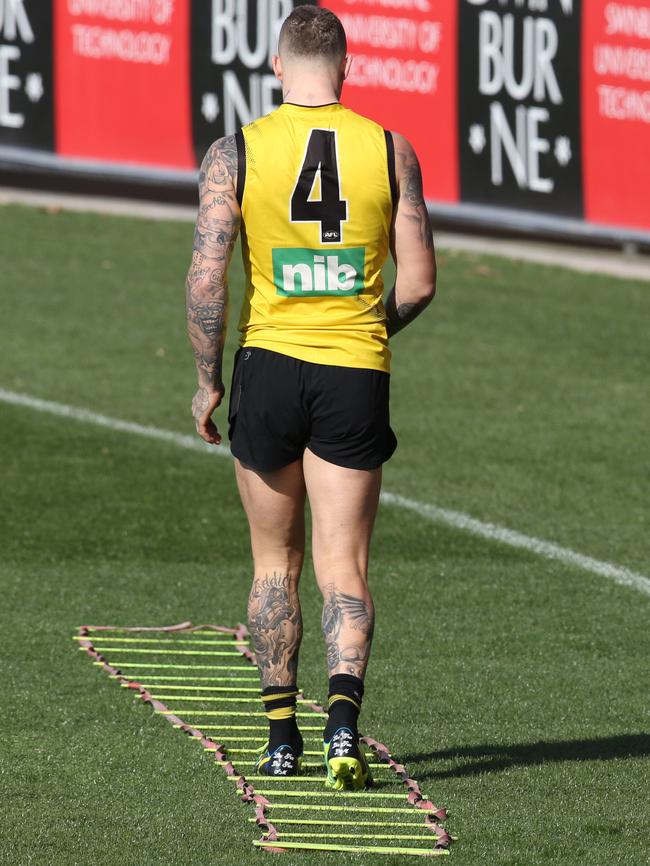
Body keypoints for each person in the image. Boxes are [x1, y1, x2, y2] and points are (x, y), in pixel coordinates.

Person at [185, 5, 436, 788]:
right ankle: (341, 730)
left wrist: (208, 379)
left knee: (272, 565)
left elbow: (205, 278)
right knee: (344, 565)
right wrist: (368, 332)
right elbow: (421, 282)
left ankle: (280, 738)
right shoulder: (390, 148)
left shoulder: (237, 153)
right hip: (354, 370)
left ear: (276, 66)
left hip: (268, 367)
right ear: (348, 67)